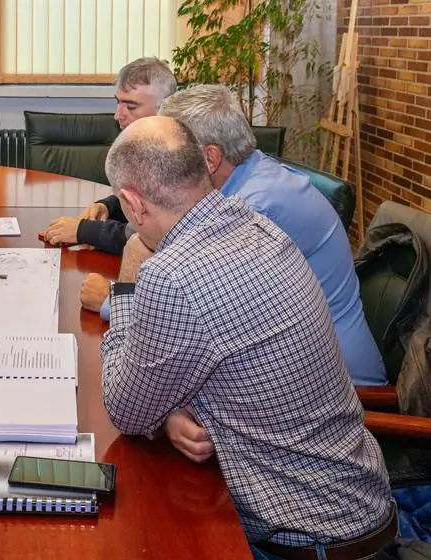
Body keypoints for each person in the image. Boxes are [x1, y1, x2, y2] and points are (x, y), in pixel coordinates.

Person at [101, 115, 395, 559]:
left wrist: (127, 280)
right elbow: (226, 360)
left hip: (307, 541)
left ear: (133, 202)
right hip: (360, 505)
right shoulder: (255, 224)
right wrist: (168, 413)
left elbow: (125, 408)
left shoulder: (173, 275)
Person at [90, 84, 386, 386]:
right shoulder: (251, 174)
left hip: (335, 387)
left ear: (209, 158)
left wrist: (113, 301)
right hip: (278, 368)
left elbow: (195, 322)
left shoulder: (253, 209)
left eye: (172, 152)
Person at [43, 57, 176, 254]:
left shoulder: (178, 156)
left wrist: (83, 231)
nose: (118, 115)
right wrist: (109, 207)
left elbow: (149, 237)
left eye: (130, 107)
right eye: (118, 103)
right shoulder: (146, 145)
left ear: (164, 107)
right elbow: (142, 199)